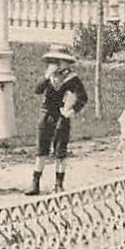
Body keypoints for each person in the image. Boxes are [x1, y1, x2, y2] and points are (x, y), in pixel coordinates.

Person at [28, 43, 87, 194]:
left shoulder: (72, 79)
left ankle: (59, 183)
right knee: (42, 148)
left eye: (59, 61)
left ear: (67, 63)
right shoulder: (49, 78)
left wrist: (72, 110)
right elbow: (37, 90)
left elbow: (82, 97)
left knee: (60, 149)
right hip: (47, 114)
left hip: (62, 115)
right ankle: (35, 182)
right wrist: (47, 76)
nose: (55, 65)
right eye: (52, 61)